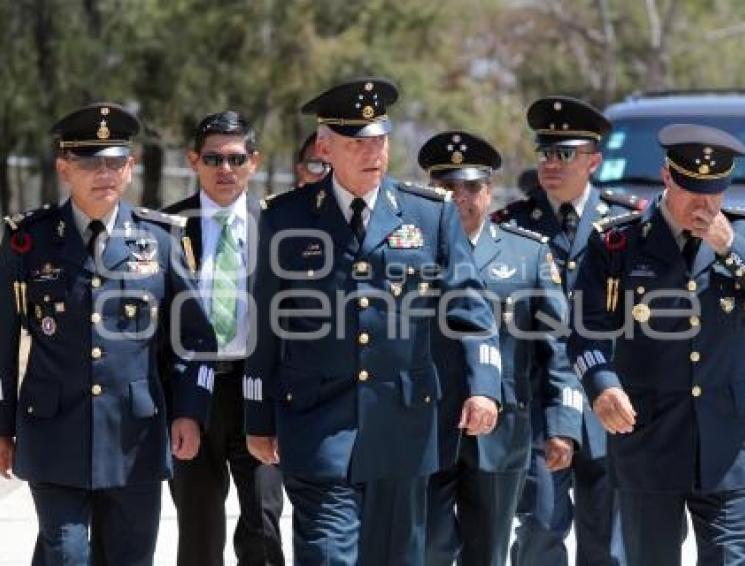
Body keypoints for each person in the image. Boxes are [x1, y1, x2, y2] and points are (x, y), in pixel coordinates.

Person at [244, 78, 502, 566]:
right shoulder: (286, 218)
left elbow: (469, 307)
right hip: (316, 423)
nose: (372, 152)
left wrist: (483, 384)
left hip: (402, 427)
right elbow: (266, 324)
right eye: (357, 142)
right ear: (326, 147)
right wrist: (257, 416)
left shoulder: (429, 215)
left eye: (379, 140)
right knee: (327, 555)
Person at [0, 102, 217, 565]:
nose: (102, 173)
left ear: (131, 167)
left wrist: (190, 410)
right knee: (65, 553)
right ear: (64, 168)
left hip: (136, 438)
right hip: (52, 432)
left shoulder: (160, 241)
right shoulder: (29, 240)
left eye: (114, 161)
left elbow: (196, 340)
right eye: (88, 162)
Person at [569, 123, 745, 566]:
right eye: (693, 189)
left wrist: (732, 247)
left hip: (730, 443)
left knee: (728, 559)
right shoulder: (616, 243)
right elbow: (585, 332)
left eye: (715, 190)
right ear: (667, 178)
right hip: (649, 440)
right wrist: (602, 385)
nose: (705, 203)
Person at [491, 96, 643, 566]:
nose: (551, 164)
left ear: (594, 160)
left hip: (608, 399)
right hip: (536, 401)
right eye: (544, 153)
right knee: (539, 531)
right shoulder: (510, 226)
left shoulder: (627, 224)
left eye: (565, 154)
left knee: (609, 541)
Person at [418, 131, 581, 566]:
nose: (459, 197)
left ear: (489, 191)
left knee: (488, 550)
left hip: (502, 427)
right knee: (429, 544)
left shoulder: (526, 253)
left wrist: (562, 422)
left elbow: (557, 346)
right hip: (427, 425)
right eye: (447, 186)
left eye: (471, 186)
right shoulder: (409, 249)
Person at [162, 111, 284, 566]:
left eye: (236, 158)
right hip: (194, 392)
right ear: (194, 161)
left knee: (265, 522)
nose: (225, 169)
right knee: (199, 528)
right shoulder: (166, 228)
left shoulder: (278, 227)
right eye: (212, 158)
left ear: (254, 161)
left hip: (258, 390)